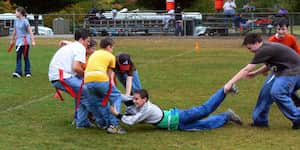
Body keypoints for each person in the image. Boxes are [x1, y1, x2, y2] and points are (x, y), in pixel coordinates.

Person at [224, 33, 300, 129]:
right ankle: (260, 121)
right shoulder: (265, 48)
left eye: (250, 48)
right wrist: (256, 73)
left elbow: (246, 69)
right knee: (265, 93)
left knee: (277, 92)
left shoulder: (264, 50)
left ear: (256, 43)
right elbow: (270, 65)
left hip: (293, 72)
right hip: (278, 72)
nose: (250, 51)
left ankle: (297, 117)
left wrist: (230, 83)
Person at [110, 86, 242, 131]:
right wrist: (109, 93)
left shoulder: (147, 109)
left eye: (137, 99)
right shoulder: (139, 103)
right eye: (134, 98)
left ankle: (225, 90)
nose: (134, 101)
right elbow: (122, 97)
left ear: (144, 99)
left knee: (205, 110)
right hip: (177, 125)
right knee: (205, 125)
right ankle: (227, 116)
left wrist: (117, 114)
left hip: (180, 117)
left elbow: (132, 121)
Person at [48, 29, 93, 128]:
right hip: (61, 77)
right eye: (88, 41)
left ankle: (81, 122)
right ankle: (105, 120)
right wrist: (87, 76)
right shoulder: (80, 48)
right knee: (87, 93)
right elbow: (76, 67)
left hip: (58, 76)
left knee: (81, 93)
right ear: (82, 40)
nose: (88, 43)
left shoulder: (74, 46)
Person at [84, 37, 126, 134]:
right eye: (112, 47)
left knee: (99, 102)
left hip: (87, 80)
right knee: (116, 97)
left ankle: (103, 124)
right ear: (108, 47)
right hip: (100, 78)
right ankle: (114, 125)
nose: (112, 49)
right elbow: (110, 75)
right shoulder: (111, 56)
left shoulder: (94, 54)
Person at [268, 19, 300, 106]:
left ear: (287, 29)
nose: (281, 31)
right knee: (277, 86)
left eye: (283, 29)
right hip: (278, 68)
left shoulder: (291, 38)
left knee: (290, 84)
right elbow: (269, 58)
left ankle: (293, 99)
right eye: (278, 29)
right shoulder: (271, 41)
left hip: (292, 66)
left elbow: (297, 52)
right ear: (276, 29)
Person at [10, 7, 36, 78]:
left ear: (20, 13)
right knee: (18, 56)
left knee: (25, 57)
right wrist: (12, 40)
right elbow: (15, 31)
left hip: (25, 42)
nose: (15, 13)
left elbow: (30, 31)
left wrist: (33, 41)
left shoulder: (25, 21)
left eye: (16, 12)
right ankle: (18, 72)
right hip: (18, 42)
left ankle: (28, 72)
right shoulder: (16, 21)